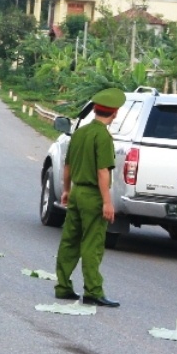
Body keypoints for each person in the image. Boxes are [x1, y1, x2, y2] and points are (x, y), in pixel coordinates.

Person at [53, 87, 125, 308]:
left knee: (69, 241)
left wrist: (66, 190)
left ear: (95, 110)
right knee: (92, 244)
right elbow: (103, 172)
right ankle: (93, 291)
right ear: (114, 113)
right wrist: (107, 201)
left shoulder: (81, 133)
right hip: (93, 195)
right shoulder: (102, 136)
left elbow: (67, 166)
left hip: (76, 192)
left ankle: (63, 287)